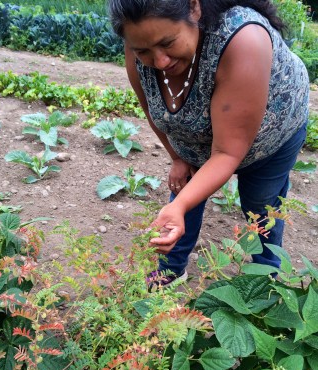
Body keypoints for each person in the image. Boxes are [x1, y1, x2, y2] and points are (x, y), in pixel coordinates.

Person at [108, 0, 309, 286]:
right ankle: (171, 269)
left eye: (168, 43)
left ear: (194, 8)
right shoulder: (139, 42)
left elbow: (227, 152)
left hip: (274, 130)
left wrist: (180, 205)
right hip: (204, 134)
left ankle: (268, 278)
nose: (160, 61)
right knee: (184, 190)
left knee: (261, 204)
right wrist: (177, 157)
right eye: (143, 51)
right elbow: (155, 111)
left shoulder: (242, 39)